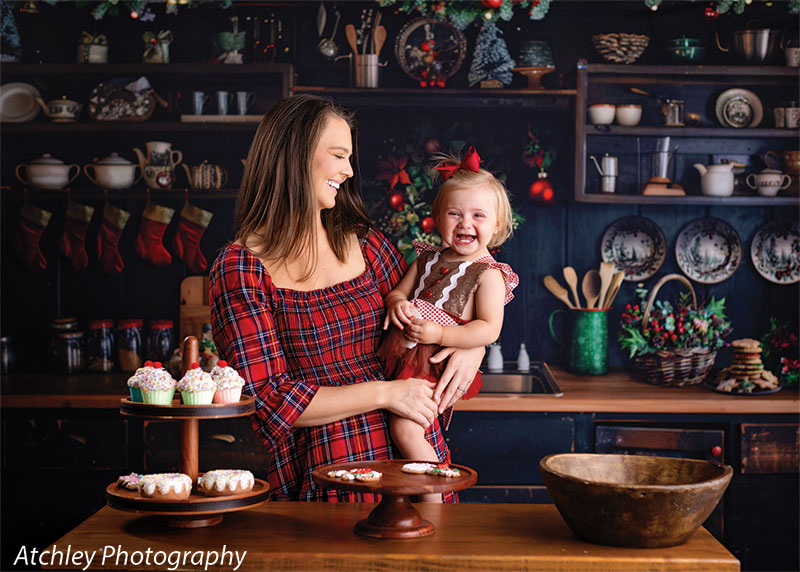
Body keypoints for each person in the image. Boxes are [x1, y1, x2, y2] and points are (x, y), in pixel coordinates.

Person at [209, 94, 484, 502]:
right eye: (338, 155)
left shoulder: (366, 245)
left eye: (349, 156)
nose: (348, 170)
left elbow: (435, 309)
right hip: (325, 478)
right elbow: (270, 399)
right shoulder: (242, 269)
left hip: (415, 463)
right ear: (295, 155)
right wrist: (387, 393)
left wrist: (474, 345)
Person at [377, 146, 519, 501]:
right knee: (389, 421)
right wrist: (397, 304)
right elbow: (399, 291)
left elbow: (489, 328)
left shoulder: (489, 274)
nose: (465, 223)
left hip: (435, 363)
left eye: (478, 216)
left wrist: (440, 332)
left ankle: (435, 496)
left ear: (497, 224)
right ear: (438, 219)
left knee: (405, 428)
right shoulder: (427, 258)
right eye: (455, 214)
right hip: (402, 352)